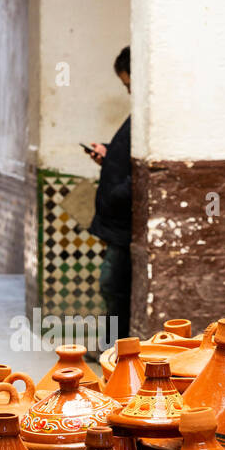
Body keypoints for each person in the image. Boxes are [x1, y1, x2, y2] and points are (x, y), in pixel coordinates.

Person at [88, 45, 131, 337]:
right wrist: (109, 154)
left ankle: (115, 351)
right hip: (118, 225)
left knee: (112, 285)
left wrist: (118, 194)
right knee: (113, 287)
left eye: (129, 85)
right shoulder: (138, 117)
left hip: (124, 226)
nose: (129, 92)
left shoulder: (149, 115)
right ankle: (112, 349)